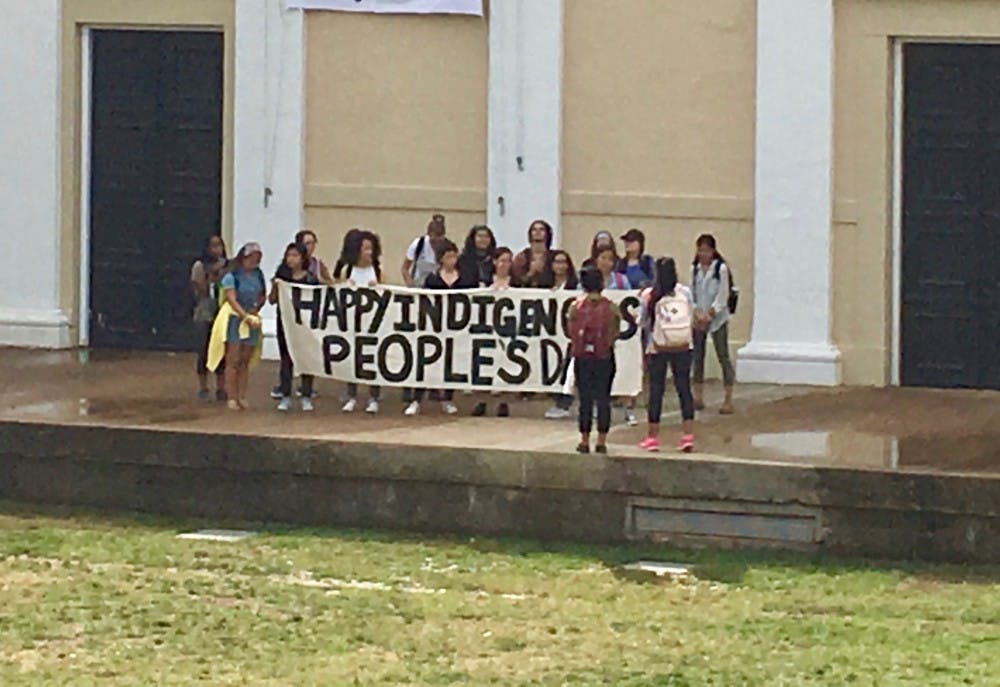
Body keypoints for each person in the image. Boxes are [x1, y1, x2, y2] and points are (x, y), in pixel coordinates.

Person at [640, 257, 696, 453]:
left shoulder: (649, 295)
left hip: (658, 347)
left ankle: (652, 437)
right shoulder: (685, 292)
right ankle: (688, 435)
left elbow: (643, 321)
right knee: (684, 388)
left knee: (656, 390)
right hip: (683, 345)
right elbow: (691, 313)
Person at [405, 239, 463, 416]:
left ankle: (447, 399)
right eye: (448, 257)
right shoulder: (432, 278)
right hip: (434, 325)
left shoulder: (464, 277)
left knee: (450, 363)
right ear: (441, 259)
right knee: (427, 361)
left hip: (456, 325)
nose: (451, 260)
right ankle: (416, 400)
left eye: (454, 256)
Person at [568, 266, 621, 454]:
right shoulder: (611, 307)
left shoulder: (575, 307)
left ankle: (584, 440)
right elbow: (616, 330)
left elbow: (570, 330)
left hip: (583, 357)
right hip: (604, 356)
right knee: (603, 398)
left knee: (585, 400)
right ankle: (601, 441)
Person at [269, 242, 319, 412]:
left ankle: (306, 394)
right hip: (285, 323)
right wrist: (275, 288)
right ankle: (285, 394)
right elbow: (272, 300)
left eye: (295, 255)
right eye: (289, 255)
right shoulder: (281, 276)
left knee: (306, 359)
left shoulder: (310, 278)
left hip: (304, 325)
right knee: (286, 359)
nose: (291, 259)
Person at [218, 243, 266, 410]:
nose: (255, 261)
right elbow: (231, 298)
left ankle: (242, 394)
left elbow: (262, 295)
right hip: (235, 319)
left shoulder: (258, 274)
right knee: (233, 359)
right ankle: (231, 396)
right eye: (252, 258)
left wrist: (256, 308)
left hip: (251, 317)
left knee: (245, 359)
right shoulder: (232, 276)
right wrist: (243, 315)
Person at [692, 234, 736, 415]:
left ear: (713, 251)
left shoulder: (721, 269)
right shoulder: (694, 268)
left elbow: (722, 295)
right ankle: (698, 396)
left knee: (722, 354)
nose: (703, 254)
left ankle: (728, 397)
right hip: (699, 317)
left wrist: (710, 313)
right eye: (700, 250)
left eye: (706, 250)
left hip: (717, 318)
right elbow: (692, 292)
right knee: (698, 357)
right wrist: (697, 312)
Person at [341, 230, 383, 414]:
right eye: (365, 248)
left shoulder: (378, 270)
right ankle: (352, 395)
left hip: (373, 322)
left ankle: (374, 397)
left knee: (372, 358)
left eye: (370, 248)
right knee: (353, 358)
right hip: (352, 322)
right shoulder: (348, 270)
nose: (368, 252)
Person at [594, 244, 636, 426]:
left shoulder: (621, 281)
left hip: (618, 333)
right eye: (602, 258)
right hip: (596, 334)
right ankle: (598, 406)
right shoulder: (589, 279)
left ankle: (628, 408)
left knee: (624, 368)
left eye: (609, 259)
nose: (606, 262)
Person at [472, 247, 517, 418]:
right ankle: (482, 401)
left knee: (505, 362)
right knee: (485, 364)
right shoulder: (485, 281)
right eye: (502, 260)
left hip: (507, 327)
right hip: (487, 326)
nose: (505, 264)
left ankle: (503, 402)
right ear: (494, 262)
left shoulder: (516, 282)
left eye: (508, 261)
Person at [191, 235, 228, 402]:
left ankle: (221, 387)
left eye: (219, 246)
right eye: (213, 246)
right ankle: (203, 387)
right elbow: (200, 290)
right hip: (204, 310)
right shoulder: (199, 266)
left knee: (222, 350)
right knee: (204, 350)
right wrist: (210, 278)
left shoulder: (226, 265)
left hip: (221, 311)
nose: (216, 250)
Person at [544, 250, 578, 420]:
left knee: (568, 369)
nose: (560, 265)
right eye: (557, 262)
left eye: (564, 262)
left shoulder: (575, 286)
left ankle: (565, 403)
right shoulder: (543, 284)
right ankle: (556, 400)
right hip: (548, 336)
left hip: (568, 335)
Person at [402, 214, 446, 287]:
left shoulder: (448, 247)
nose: (435, 245)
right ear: (428, 234)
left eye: (439, 241)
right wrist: (410, 284)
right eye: (433, 241)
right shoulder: (418, 244)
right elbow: (404, 268)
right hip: (418, 286)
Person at [511, 219, 555, 287]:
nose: (538, 232)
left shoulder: (553, 257)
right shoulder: (521, 257)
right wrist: (531, 272)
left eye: (541, 229)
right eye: (534, 229)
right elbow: (516, 282)